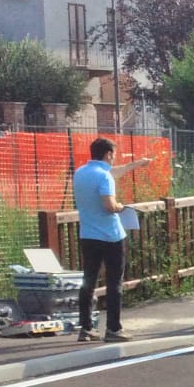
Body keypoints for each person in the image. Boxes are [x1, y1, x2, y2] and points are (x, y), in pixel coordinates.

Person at [73, 136, 130, 343]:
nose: (114, 159)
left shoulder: (79, 173)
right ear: (108, 154)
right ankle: (113, 328)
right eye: (113, 155)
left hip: (87, 233)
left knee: (88, 281)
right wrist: (120, 206)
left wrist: (135, 164)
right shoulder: (105, 177)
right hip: (111, 235)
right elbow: (108, 205)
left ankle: (86, 327)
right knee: (115, 282)